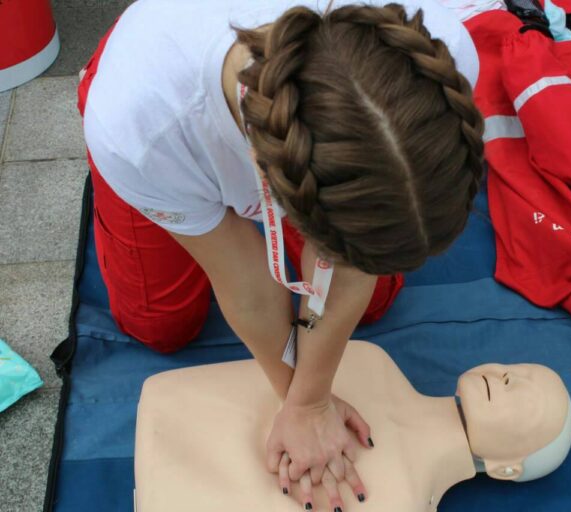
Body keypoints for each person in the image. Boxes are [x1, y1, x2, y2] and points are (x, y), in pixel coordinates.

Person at [78, 0, 484, 508]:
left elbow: (349, 266)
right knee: (160, 325)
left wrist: (307, 400)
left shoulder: (437, 59)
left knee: (372, 299)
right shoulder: (140, 128)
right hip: (154, 114)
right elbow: (243, 274)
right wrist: (306, 402)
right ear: (265, 175)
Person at [134, 340, 571, 512]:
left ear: (507, 468)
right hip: (168, 409)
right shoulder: (371, 358)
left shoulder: (404, 502)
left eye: (526, 395)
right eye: (516, 368)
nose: (507, 376)